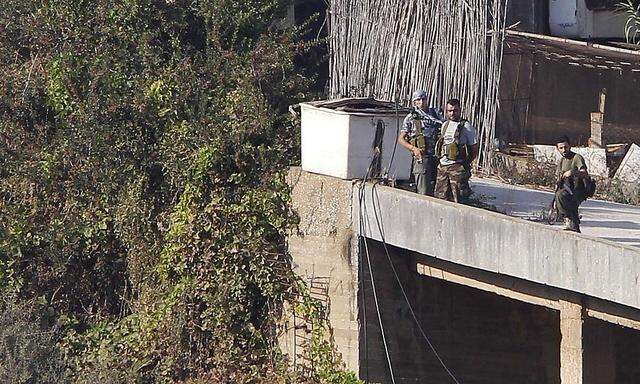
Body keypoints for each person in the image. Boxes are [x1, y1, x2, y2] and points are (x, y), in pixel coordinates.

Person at [398, 90, 444, 196]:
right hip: (422, 157)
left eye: (423, 99)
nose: (421, 102)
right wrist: (414, 149)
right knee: (423, 191)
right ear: (414, 102)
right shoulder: (411, 117)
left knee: (440, 191)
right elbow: (401, 139)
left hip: (438, 157)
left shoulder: (436, 114)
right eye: (418, 100)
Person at [434, 98, 478, 203]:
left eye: (455, 110)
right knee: (440, 199)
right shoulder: (445, 125)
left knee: (459, 200)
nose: (452, 113)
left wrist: (465, 163)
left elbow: (474, 148)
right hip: (443, 167)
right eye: (450, 111)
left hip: (457, 168)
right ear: (446, 111)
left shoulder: (466, 127)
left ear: (459, 111)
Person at [554, 136, 589, 233]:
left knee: (561, 196)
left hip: (579, 189)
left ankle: (569, 219)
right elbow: (558, 179)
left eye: (566, 147)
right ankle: (573, 225)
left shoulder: (576, 158)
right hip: (567, 189)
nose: (564, 150)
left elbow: (585, 173)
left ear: (570, 146)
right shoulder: (561, 161)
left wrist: (573, 172)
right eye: (561, 148)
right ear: (557, 149)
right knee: (562, 199)